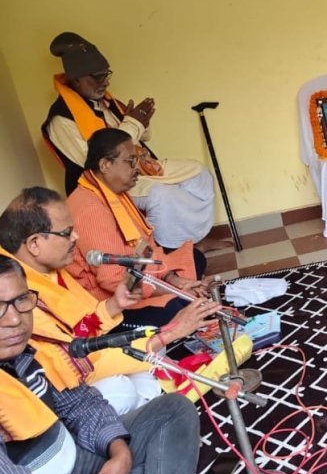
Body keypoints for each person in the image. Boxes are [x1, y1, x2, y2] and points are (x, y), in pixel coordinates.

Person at [0, 255, 201, 474]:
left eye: (21, 300)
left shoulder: (24, 354)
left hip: (76, 459)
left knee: (175, 410)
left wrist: (120, 455)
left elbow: (80, 403)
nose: (15, 319)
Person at [0, 186, 220, 413]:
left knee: (149, 344)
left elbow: (84, 326)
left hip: (87, 357)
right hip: (59, 387)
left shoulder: (45, 269)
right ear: (35, 243)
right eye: (67, 233)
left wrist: (114, 305)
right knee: (120, 389)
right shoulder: (16, 295)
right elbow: (79, 362)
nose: (76, 237)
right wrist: (170, 333)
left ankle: (147, 404)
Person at [44, 32, 219, 250]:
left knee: (199, 174)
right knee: (161, 195)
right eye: (97, 77)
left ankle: (196, 238)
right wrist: (133, 124)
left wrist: (142, 121)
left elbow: (142, 138)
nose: (105, 82)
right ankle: (169, 250)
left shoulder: (105, 102)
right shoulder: (61, 120)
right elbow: (97, 161)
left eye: (106, 75)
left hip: (137, 167)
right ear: (76, 79)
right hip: (108, 184)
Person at [67, 128, 209, 328]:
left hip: (142, 274)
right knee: (178, 306)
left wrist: (173, 279)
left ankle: (183, 290)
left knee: (195, 257)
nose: (138, 168)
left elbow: (147, 247)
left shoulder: (114, 193)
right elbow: (114, 282)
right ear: (105, 165)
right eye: (130, 161)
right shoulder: (90, 208)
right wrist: (172, 289)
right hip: (113, 301)